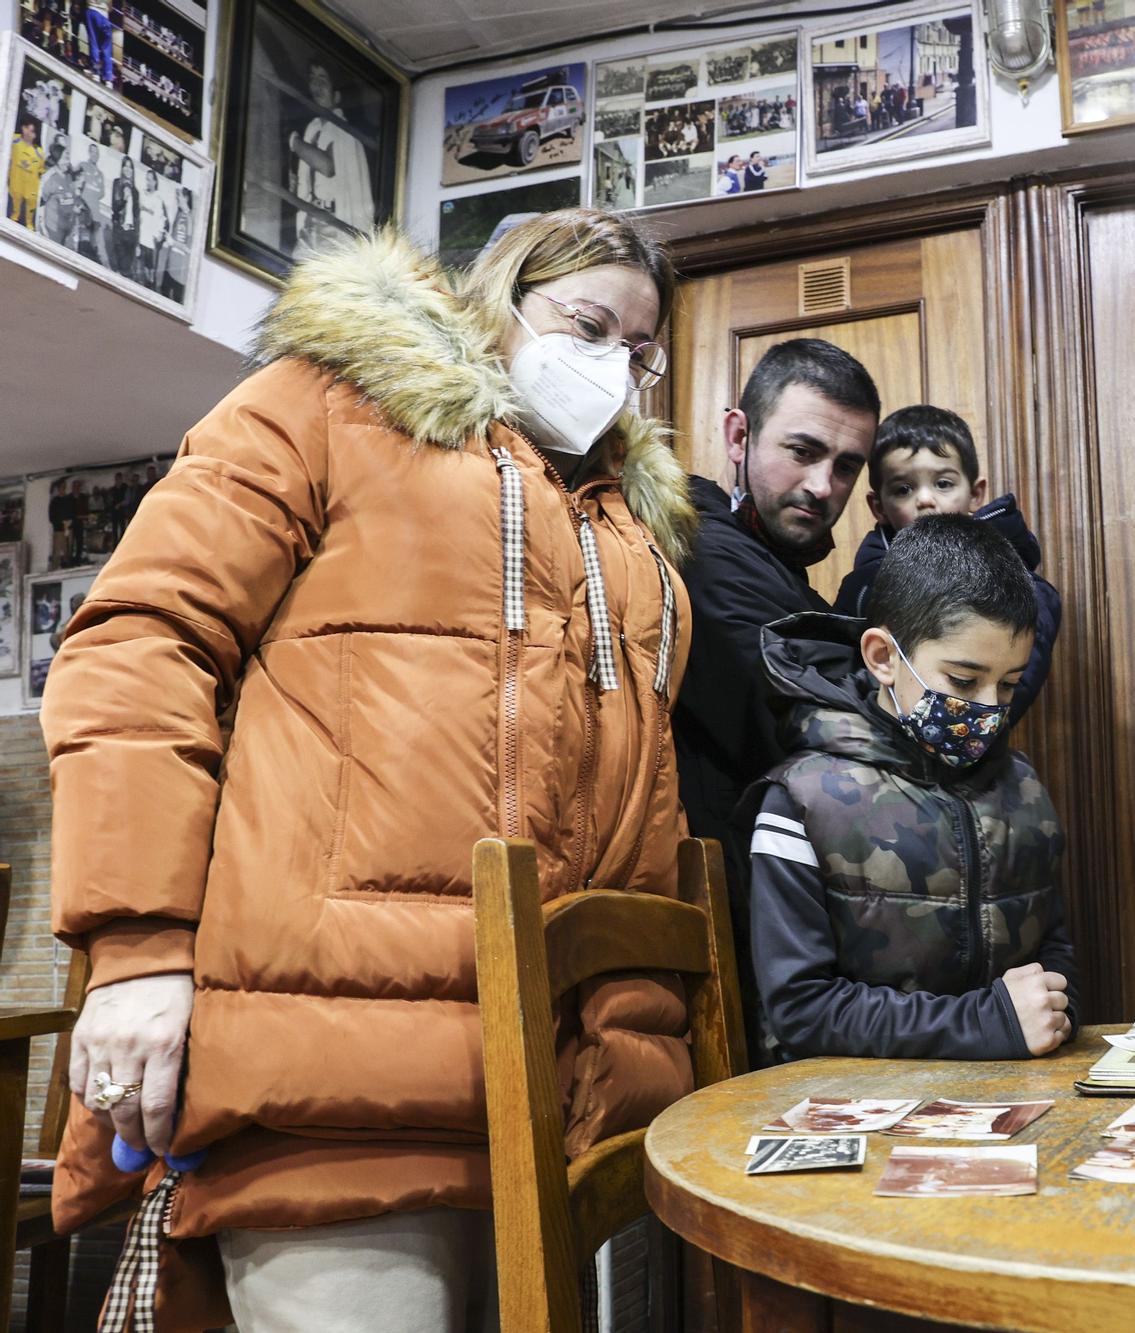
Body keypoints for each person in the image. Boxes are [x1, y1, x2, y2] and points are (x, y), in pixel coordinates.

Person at [45, 207, 698, 1332]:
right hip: (329, 1093)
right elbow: (140, 644)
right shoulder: (326, 406)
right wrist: (136, 947)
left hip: (551, 1104)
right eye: (586, 326)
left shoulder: (626, 538)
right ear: (495, 302)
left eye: (637, 355)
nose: (611, 373)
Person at [748, 516, 1079, 1062]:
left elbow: (1053, 952)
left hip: (1008, 1098)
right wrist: (987, 1024)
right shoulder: (801, 800)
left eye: (1011, 684)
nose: (992, 708)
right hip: (851, 1109)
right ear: (882, 657)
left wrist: (1053, 1010)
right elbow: (800, 1010)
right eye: (965, 681)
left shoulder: (1021, 789)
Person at [674, 338, 877, 954]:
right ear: (739, 437)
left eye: (846, 466)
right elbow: (847, 729)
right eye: (803, 451)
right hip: (729, 918)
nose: (823, 485)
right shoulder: (703, 548)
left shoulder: (774, 568)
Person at [833, 406, 1061, 720]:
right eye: (903, 489)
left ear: (975, 493)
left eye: (943, 484)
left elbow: (1016, 684)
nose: (925, 499)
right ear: (878, 506)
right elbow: (842, 675)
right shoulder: (864, 585)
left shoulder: (1023, 585)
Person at [290, 61, 376, 247]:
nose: (317, 86)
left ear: (337, 95)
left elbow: (327, 167)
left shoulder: (344, 132)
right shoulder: (312, 129)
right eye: (313, 79)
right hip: (310, 221)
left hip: (334, 227)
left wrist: (294, 142)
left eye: (323, 80)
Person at [7, 119, 45, 228]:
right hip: (15, 185)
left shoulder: (39, 152)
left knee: (29, 221)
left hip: (30, 190)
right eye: (27, 128)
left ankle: (29, 226)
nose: (28, 132)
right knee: (13, 215)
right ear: (22, 128)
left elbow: (41, 171)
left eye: (32, 131)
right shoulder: (14, 140)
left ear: (35, 135)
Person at [107, 155, 138, 279]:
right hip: (119, 230)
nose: (127, 169)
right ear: (122, 168)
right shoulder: (117, 183)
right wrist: (124, 199)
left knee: (126, 270)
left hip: (130, 233)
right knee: (117, 268)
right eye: (125, 166)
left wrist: (136, 239)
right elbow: (115, 208)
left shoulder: (135, 191)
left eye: (130, 167)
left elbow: (136, 216)